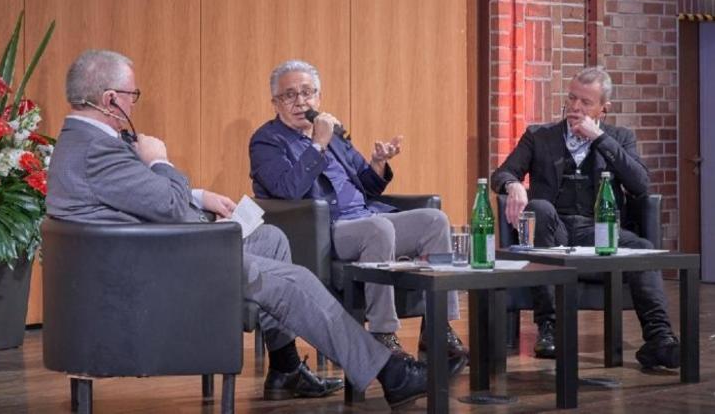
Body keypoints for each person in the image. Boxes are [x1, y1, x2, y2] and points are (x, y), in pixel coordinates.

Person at [46, 49, 435, 408]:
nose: (134, 103)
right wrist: (159, 160)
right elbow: (167, 204)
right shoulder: (97, 150)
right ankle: (390, 372)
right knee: (294, 281)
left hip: (154, 251)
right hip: (158, 268)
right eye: (133, 95)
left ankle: (284, 366)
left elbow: (140, 197)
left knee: (270, 239)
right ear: (111, 99)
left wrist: (199, 197)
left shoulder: (85, 142)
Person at [249, 59, 469, 364]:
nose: (300, 101)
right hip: (323, 230)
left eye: (307, 92)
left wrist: (378, 163)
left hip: (365, 217)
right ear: (275, 102)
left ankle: (437, 327)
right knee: (379, 229)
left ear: (319, 97)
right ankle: (382, 334)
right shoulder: (267, 141)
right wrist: (317, 145)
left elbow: (367, 186)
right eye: (290, 95)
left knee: (435, 221)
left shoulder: (333, 134)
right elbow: (288, 190)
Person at [490, 66, 680, 369]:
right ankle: (550, 328)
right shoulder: (540, 136)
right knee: (539, 209)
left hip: (599, 231)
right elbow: (502, 174)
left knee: (643, 248)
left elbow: (641, 184)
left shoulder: (619, 138)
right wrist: (513, 185)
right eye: (571, 98)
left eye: (585, 102)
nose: (575, 107)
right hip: (554, 231)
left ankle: (660, 340)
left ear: (604, 108)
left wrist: (600, 138)